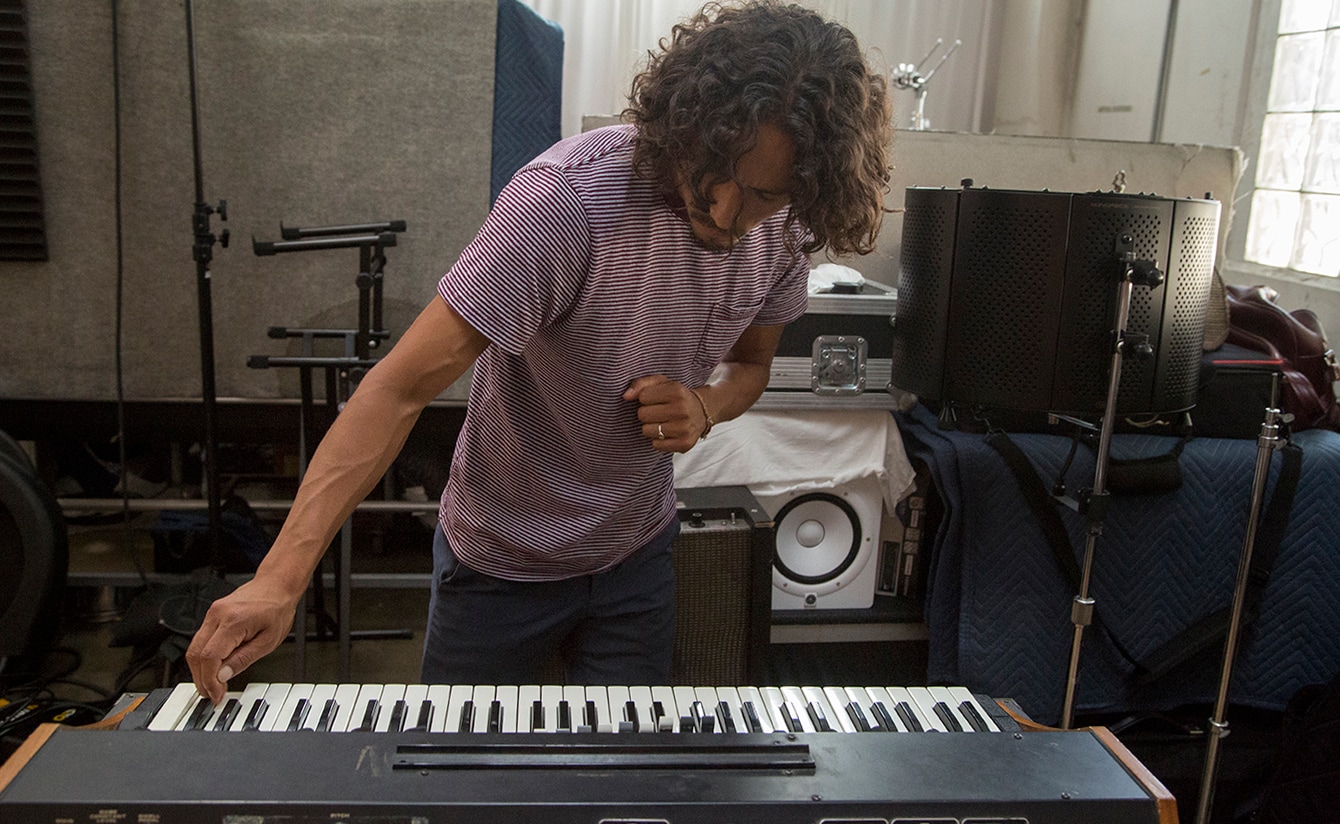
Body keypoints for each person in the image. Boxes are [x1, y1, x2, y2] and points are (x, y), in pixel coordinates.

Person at [186, 0, 892, 703]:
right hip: (499, 563)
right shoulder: (567, 202)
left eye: (763, 194)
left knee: (618, 790)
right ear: (688, 124)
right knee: (464, 794)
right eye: (716, 169)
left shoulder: (787, 230)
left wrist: (704, 407)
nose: (725, 210)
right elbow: (396, 388)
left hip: (634, 556)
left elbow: (752, 366)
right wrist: (279, 578)